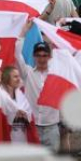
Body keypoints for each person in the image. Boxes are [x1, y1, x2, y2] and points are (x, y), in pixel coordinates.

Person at [15, 20, 60, 151]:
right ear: (34, 56)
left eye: (45, 55)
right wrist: (23, 32)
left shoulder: (56, 75)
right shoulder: (27, 73)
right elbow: (17, 54)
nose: (42, 58)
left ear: (49, 57)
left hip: (52, 127)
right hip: (32, 125)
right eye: (38, 55)